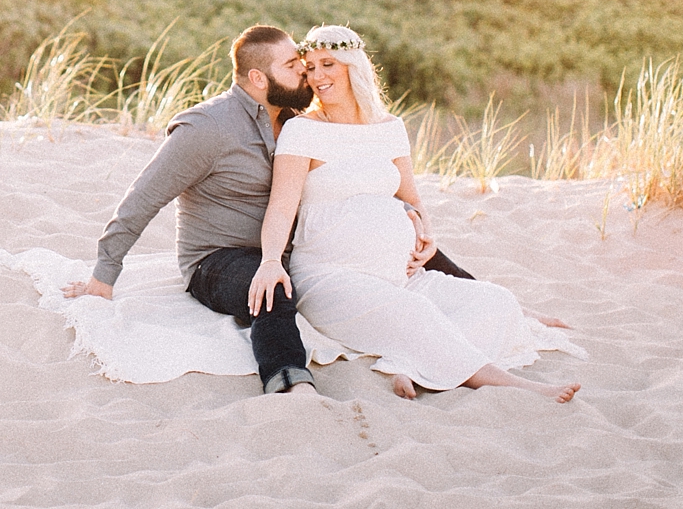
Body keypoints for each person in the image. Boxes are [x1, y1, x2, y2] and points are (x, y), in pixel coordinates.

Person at [61, 23, 478, 396]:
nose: (306, 73)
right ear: (259, 77)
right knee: (274, 292)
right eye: (295, 66)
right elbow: (142, 199)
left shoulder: (297, 117)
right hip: (222, 258)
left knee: (411, 246)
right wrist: (104, 275)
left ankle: (480, 298)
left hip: (291, 248)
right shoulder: (207, 128)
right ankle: (288, 379)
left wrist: (412, 217)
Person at [247, 24, 580, 403]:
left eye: (328, 64)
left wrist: (427, 235)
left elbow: (412, 199)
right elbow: (280, 207)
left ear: (353, 65)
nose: (317, 76)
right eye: (309, 67)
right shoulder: (302, 130)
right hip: (331, 278)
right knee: (415, 312)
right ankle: (510, 383)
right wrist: (271, 259)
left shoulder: (390, 128)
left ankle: (411, 365)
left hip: (399, 276)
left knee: (494, 300)